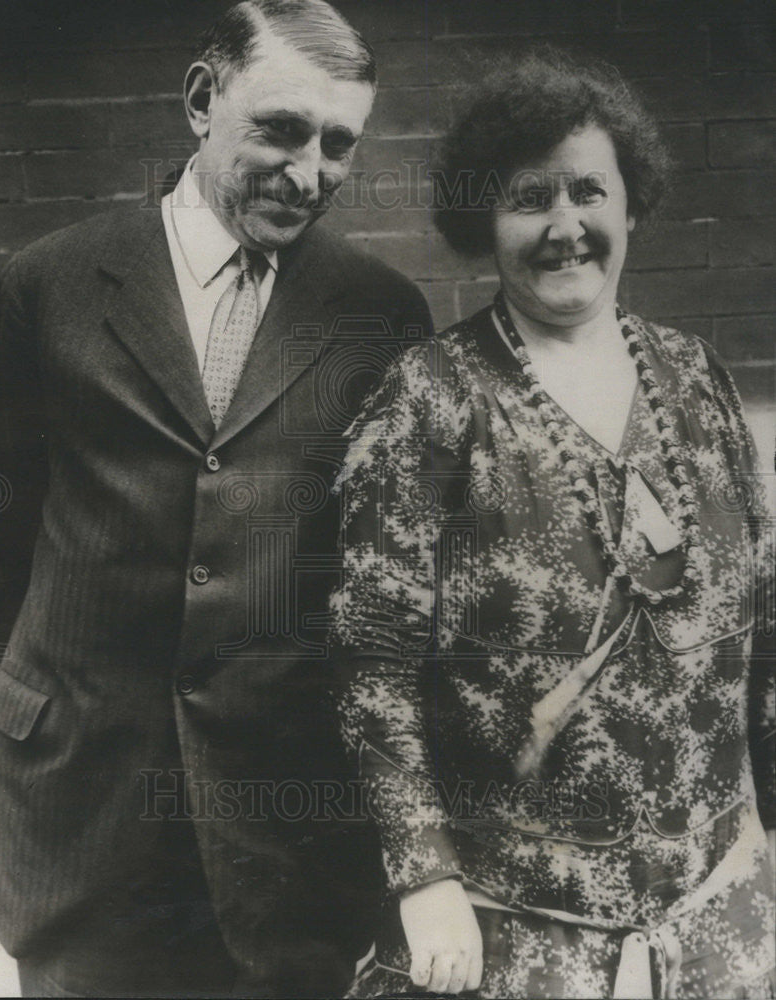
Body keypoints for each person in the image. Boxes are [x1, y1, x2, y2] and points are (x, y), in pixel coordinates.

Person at [0, 2, 434, 996]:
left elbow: (384, 568)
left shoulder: (380, 315)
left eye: (338, 144)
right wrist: (33, 701)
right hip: (84, 817)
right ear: (201, 99)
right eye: (282, 129)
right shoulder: (51, 283)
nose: (309, 174)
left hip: (286, 837)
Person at [331, 45, 775, 999]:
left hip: (718, 918)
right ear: (480, 220)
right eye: (530, 198)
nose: (565, 225)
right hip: (511, 931)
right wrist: (425, 877)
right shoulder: (430, 400)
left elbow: (766, 621)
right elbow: (374, 668)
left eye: (588, 191)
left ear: (629, 201)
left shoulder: (696, 378)